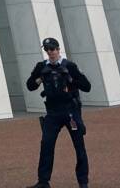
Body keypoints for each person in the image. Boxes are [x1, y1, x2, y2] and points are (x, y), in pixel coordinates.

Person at [26, 37, 91, 188]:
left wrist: (70, 79)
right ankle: (43, 182)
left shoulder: (70, 65)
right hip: (53, 112)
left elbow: (87, 86)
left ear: (58, 49)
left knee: (79, 146)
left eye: (53, 49)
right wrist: (40, 78)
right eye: (47, 50)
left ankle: (83, 182)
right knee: (46, 145)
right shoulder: (41, 66)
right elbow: (30, 86)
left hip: (70, 111)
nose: (50, 52)